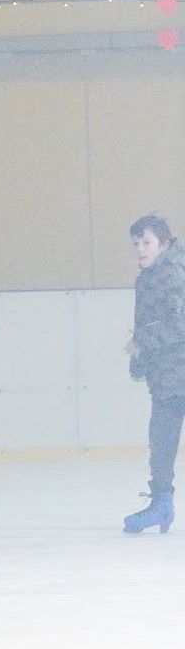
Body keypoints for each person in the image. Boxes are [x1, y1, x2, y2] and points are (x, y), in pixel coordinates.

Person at [125, 214, 185, 534]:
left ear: (165, 243)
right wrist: (141, 360)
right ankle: (162, 504)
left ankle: (162, 504)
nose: (141, 249)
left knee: (162, 437)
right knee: (161, 440)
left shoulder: (176, 274)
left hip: (179, 372)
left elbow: (180, 324)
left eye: (147, 243)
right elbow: (145, 323)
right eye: (136, 244)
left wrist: (142, 341)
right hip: (167, 377)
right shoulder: (147, 278)